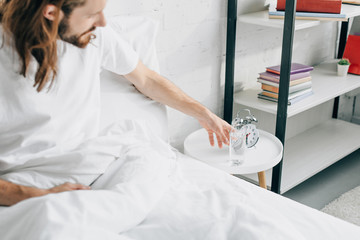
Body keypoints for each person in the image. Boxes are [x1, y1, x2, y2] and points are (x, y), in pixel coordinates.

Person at [0, 0, 232, 206]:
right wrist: (38, 196)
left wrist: (203, 114)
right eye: (92, 14)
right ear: (51, 13)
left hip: (91, 160)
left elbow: (146, 79)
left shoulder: (95, 34)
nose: (102, 22)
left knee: (156, 164)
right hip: (22, 178)